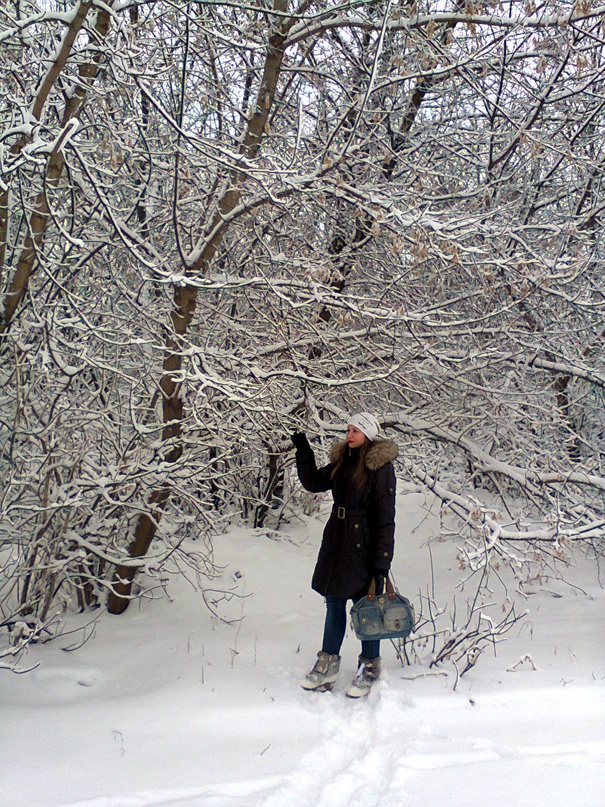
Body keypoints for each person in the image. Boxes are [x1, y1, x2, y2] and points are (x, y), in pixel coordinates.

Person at [292, 412, 398, 698]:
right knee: (334, 602)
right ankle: (327, 664)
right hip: (337, 541)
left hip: (364, 545)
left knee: (367, 607)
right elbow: (314, 482)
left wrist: (381, 563)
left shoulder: (380, 467)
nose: (349, 435)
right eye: (348, 429)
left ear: (369, 434)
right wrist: (303, 451)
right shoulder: (343, 460)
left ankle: (369, 667)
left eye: (356, 430)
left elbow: (385, 518)